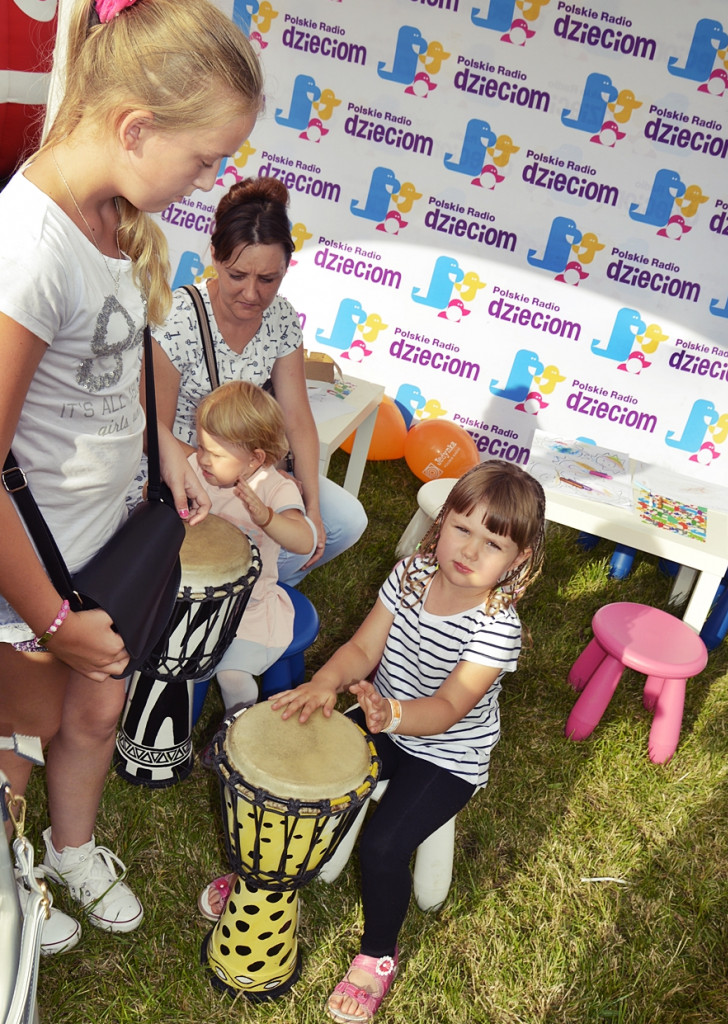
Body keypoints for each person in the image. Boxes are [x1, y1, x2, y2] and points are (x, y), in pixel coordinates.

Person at [0, 0, 263, 955]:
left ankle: (71, 851)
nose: (208, 182)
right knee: (18, 741)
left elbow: (132, 347)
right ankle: (15, 876)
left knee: (99, 709)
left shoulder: (112, 213)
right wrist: (54, 623)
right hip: (27, 585)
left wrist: (166, 442)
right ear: (136, 128)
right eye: (203, 161)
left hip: (94, 550)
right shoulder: (27, 253)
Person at [225, 459, 543, 1021]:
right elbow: (363, 649)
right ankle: (266, 886)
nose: (468, 551)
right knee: (303, 788)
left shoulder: (497, 627)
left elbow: (446, 710)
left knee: (384, 846)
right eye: (461, 528)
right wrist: (325, 683)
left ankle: (377, 955)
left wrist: (389, 713)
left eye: (491, 543)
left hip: (447, 755)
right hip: (385, 720)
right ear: (441, 522)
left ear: (517, 561)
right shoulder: (410, 576)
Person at [152, 176, 368, 586]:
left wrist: (312, 505)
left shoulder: (282, 318)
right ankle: (238, 591)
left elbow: (298, 418)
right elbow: (155, 431)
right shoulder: (178, 318)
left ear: (286, 267)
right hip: (191, 469)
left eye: (268, 279)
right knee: (260, 534)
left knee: (345, 521)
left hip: (255, 468)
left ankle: (252, 592)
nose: (252, 293)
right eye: (237, 275)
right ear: (214, 257)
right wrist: (249, 476)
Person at [191, 380, 315, 717]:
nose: (201, 459)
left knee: (232, 675)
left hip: (247, 607)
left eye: (213, 454)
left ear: (254, 459)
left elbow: (305, 540)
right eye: (200, 446)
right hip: (193, 598)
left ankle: (240, 727)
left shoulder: (275, 489)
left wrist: (268, 518)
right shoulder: (198, 470)